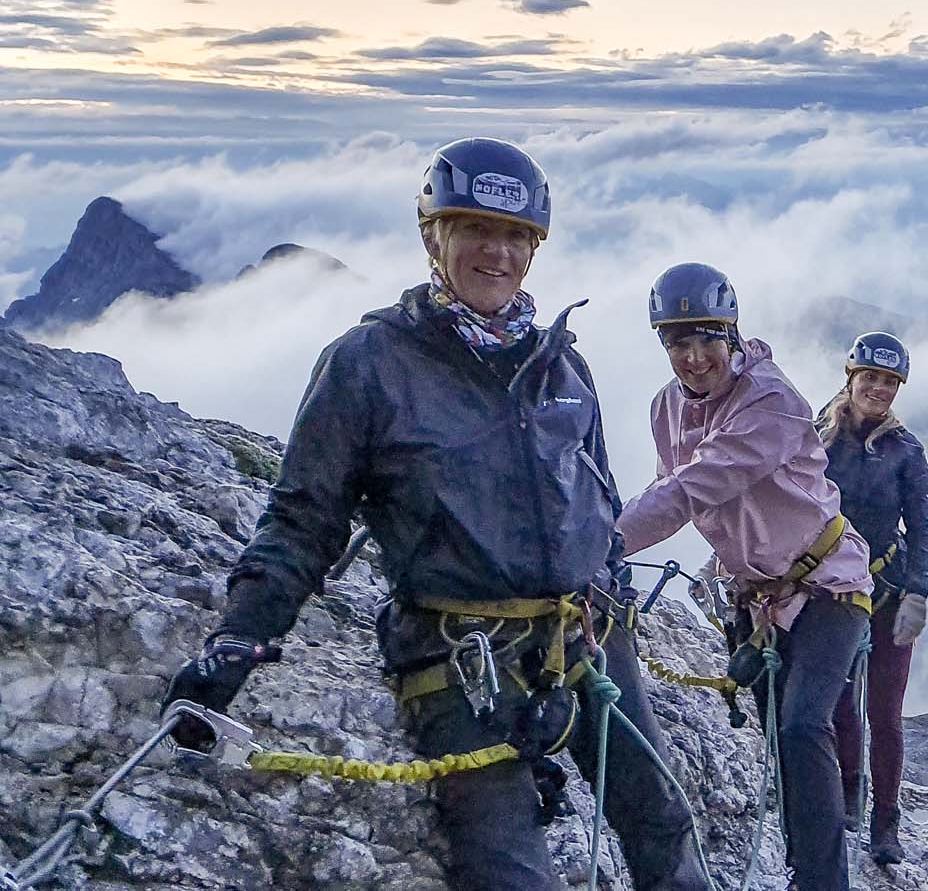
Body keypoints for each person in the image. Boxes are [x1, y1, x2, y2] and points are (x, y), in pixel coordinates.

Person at [160, 137, 704, 891]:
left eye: (516, 236)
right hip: (460, 659)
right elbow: (304, 519)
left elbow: (598, 495)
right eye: (474, 229)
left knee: (664, 825)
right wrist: (238, 638)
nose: (497, 252)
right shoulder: (369, 365)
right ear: (432, 236)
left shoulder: (562, 363)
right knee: (509, 874)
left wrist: (606, 579)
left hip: (584, 638)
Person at [616, 262, 874, 891]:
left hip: (829, 586)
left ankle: (822, 882)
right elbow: (668, 482)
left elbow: (696, 486)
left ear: (731, 334)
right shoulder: (667, 408)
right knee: (779, 742)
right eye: (679, 343)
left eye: (707, 339)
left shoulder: (773, 403)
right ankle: (802, 864)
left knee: (802, 725)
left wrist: (598, 544)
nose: (696, 357)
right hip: (755, 599)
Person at [819, 332, 928, 865]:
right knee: (841, 705)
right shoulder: (818, 438)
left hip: (887, 592)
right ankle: (846, 797)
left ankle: (884, 821)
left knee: (884, 715)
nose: (880, 389)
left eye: (890, 382)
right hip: (833, 591)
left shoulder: (906, 450)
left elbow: (923, 524)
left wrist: (918, 592)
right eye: (871, 377)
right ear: (851, 377)